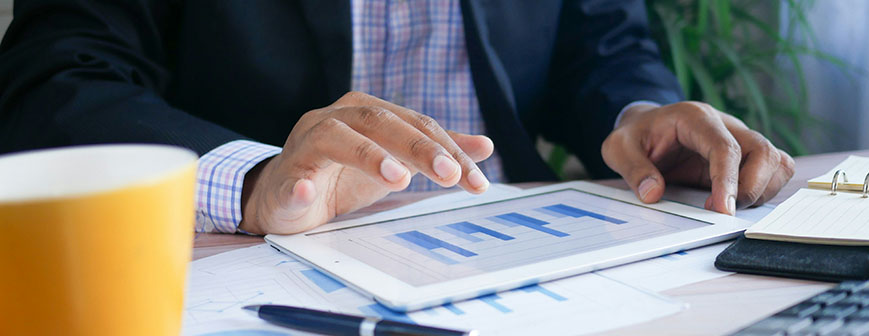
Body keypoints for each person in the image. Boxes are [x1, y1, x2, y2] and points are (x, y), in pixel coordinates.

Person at [0, 0, 793, 235]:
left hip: (518, 245)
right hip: (250, 257)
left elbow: (600, 40)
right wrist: (253, 178)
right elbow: (54, 82)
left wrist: (643, 113)